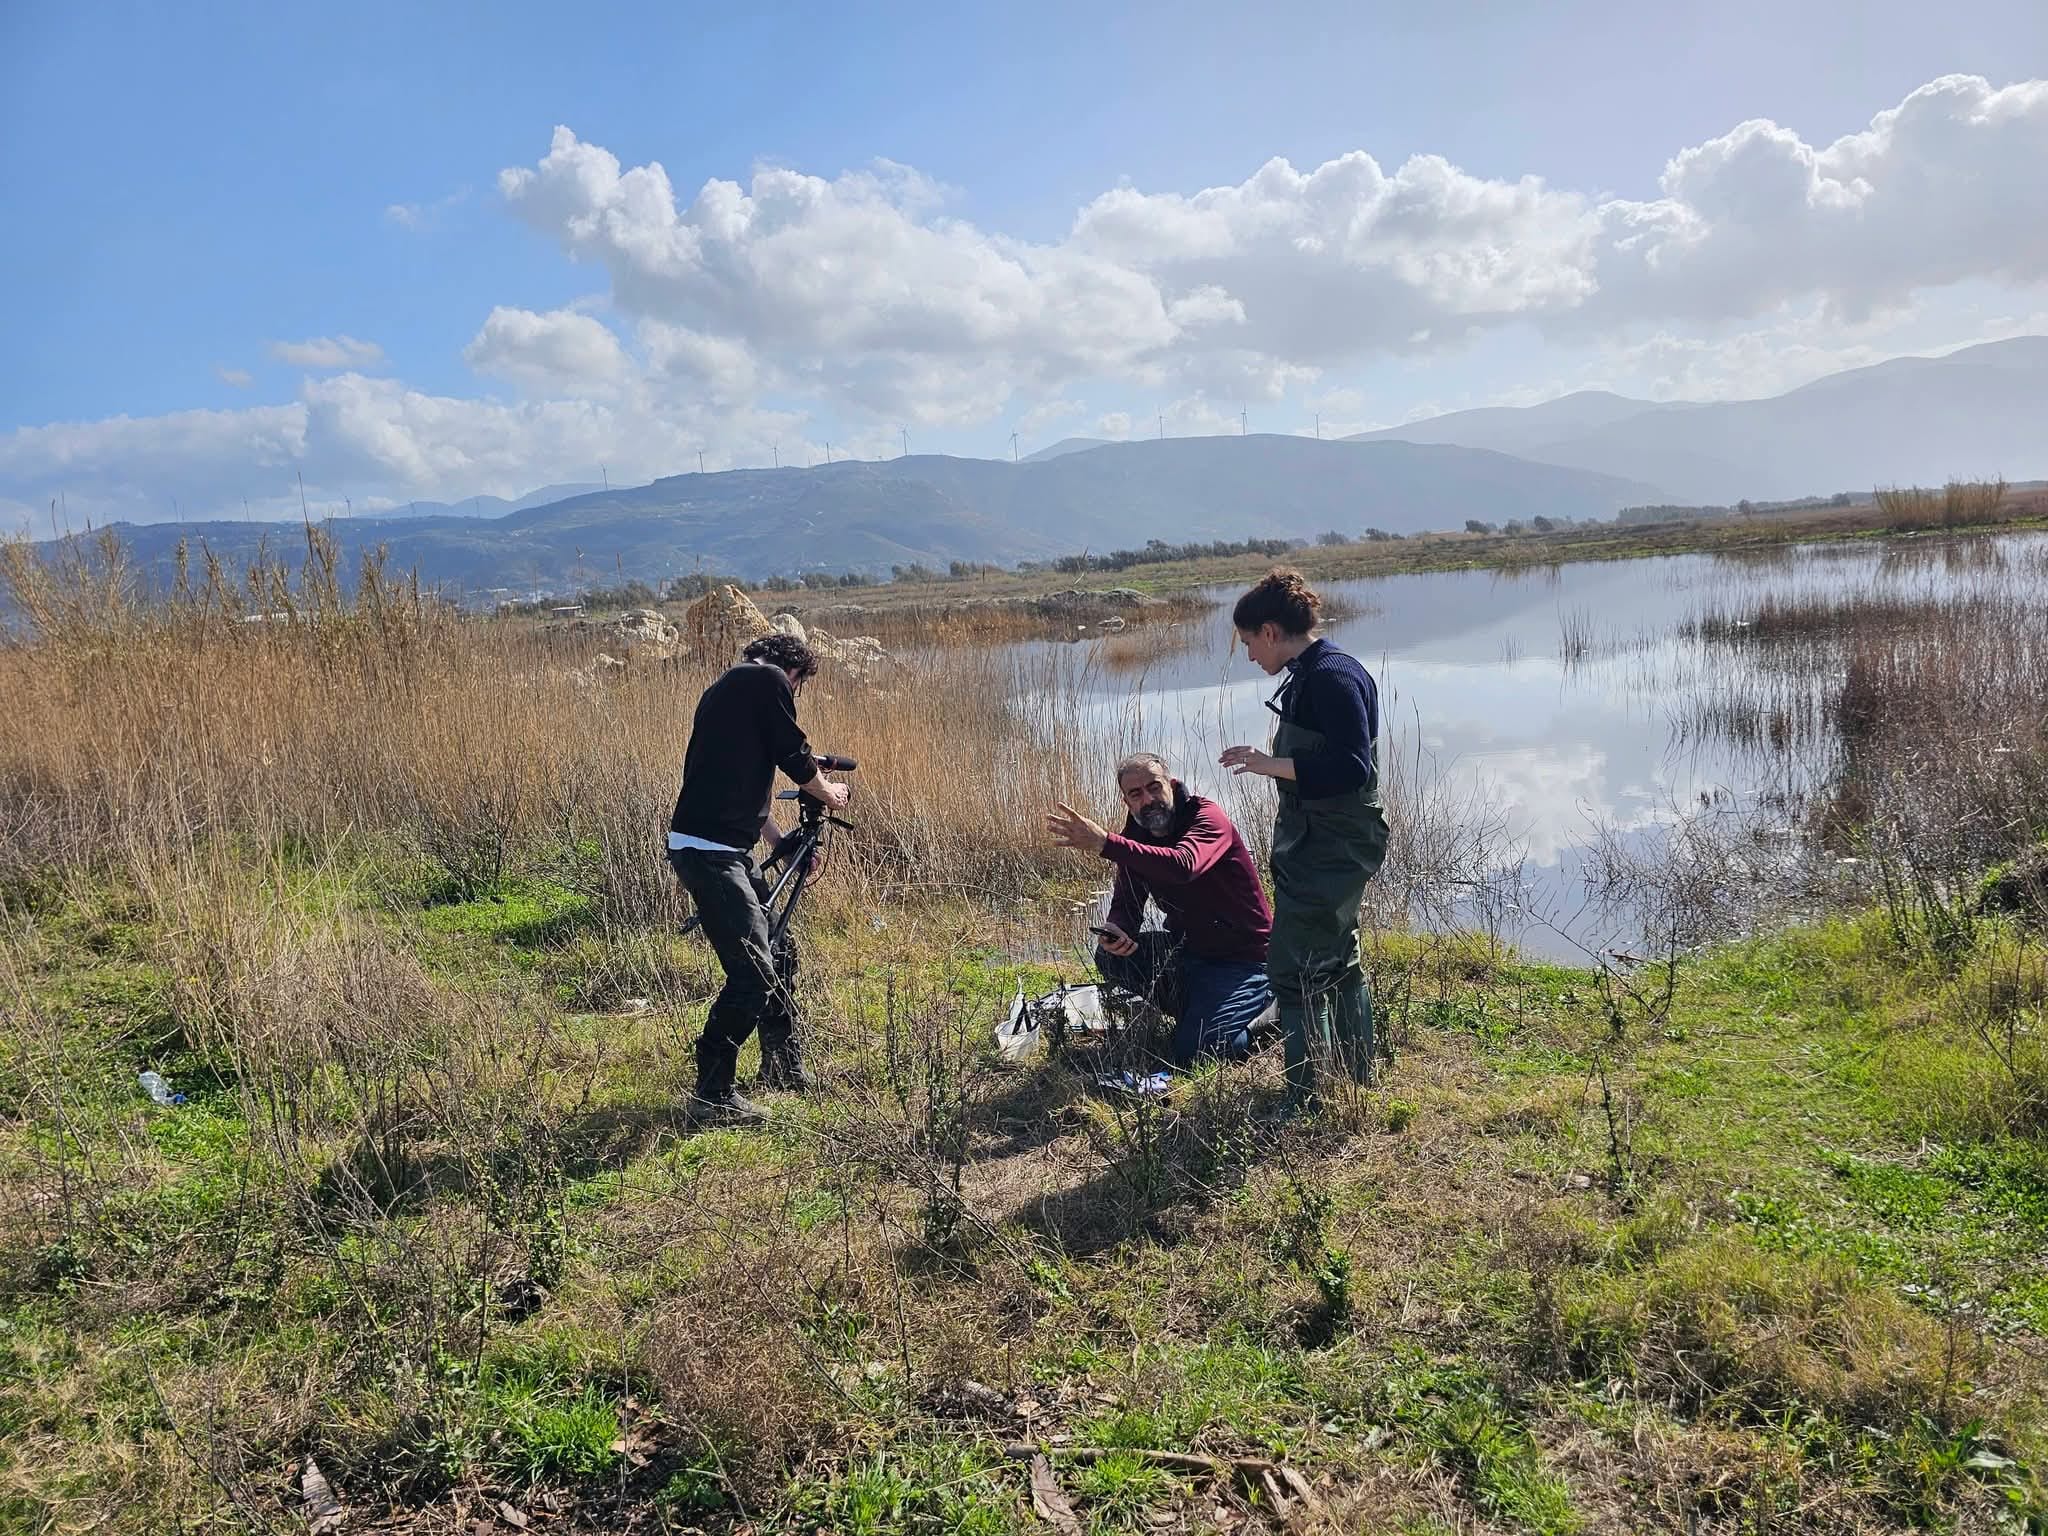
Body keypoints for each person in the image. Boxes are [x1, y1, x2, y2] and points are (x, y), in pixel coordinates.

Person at [1219, 569, 1389, 1117]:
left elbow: (1350, 766)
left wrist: (1269, 764)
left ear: (1271, 631)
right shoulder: (1314, 672)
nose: (1250, 656)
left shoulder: (1331, 677)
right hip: (1327, 838)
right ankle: (1356, 1073)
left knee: (1293, 967)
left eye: (1249, 642)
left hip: (1333, 842)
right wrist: (1270, 763)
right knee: (1337, 954)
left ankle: (1306, 1098)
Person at [668, 633, 850, 1123]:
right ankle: (711, 1095)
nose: (795, 694)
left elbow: (741, 781)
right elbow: (795, 757)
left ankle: (781, 1065)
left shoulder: (725, 689)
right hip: (710, 853)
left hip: (721, 848)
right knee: (753, 972)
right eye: (800, 687)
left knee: (780, 951)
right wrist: (829, 792)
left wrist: (778, 840)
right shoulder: (766, 679)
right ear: (795, 673)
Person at [1044, 752, 1274, 1068]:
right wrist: (1118, 928)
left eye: (1154, 787)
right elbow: (1127, 900)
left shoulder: (1207, 817)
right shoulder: (1136, 833)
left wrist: (1106, 843)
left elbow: (1183, 866)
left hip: (1243, 960)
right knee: (1111, 956)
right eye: (1136, 794)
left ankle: (1269, 1008)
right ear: (1126, 802)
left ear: (1171, 784)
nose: (1148, 800)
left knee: (1198, 1053)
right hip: (1188, 950)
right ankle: (1203, 1011)